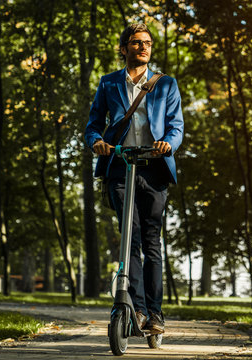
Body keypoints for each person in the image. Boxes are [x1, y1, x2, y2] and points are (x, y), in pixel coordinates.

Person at [84, 23, 184, 333]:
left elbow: (176, 126)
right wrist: (96, 142)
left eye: (148, 43)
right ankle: (136, 310)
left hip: (153, 169)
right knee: (131, 239)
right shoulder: (109, 83)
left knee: (152, 242)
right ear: (124, 48)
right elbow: (93, 125)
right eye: (136, 42)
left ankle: (155, 314)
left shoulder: (165, 84)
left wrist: (168, 142)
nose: (143, 47)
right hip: (121, 166)